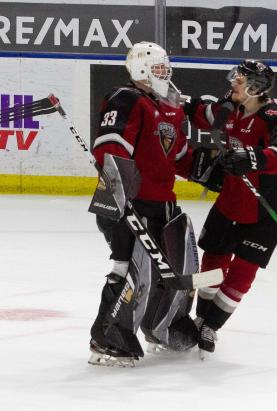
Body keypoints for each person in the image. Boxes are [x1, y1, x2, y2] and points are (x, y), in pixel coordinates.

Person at [88, 41, 196, 366]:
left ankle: (163, 327)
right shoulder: (127, 99)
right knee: (131, 269)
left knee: (173, 269)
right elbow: (110, 146)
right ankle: (108, 338)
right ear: (141, 70)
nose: (165, 74)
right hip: (128, 200)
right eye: (159, 68)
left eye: (166, 68)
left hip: (163, 204)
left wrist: (216, 169)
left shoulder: (169, 109)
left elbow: (177, 158)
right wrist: (122, 194)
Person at [186, 59, 277, 358]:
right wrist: (172, 101)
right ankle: (200, 317)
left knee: (242, 272)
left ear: (255, 87)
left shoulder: (272, 118)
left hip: (266, 209)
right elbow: (201, 114)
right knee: (212, 263)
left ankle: (212, 326)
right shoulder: (229, 108)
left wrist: (253, 158)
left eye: (240, 78)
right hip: (231, 201)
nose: (233, 81)